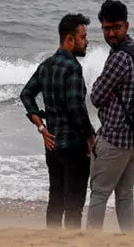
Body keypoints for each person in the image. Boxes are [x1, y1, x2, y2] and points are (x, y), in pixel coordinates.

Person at [20, 13, 95, 229]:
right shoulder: (72, 67)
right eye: (83, 37)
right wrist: (90, 138)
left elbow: (26, 94)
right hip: (74, 148)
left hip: (52, 146)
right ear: (69, 39)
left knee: (55, 200)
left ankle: (51, 240)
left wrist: (41, 127)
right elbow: (75, 109)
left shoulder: (46, 66)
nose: (86, 41)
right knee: (74, 206)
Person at [87, 0, 134, 232]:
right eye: (106, 29)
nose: (110, 33)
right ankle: (129, 240)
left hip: (115, 140)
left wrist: (101, 87)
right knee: (125, 195)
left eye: (115, 28)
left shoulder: (119, 57)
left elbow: (96, 96)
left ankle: (90, 241)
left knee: (99, 193)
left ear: (126, 25)